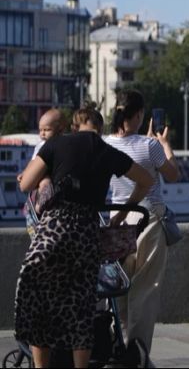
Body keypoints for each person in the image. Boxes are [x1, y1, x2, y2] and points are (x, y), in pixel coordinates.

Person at [14, 131, 153, 368]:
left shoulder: (56, 144)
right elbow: (147, 180)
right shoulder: (106, 151)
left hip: (55, 226)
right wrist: (121, 213)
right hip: (87, 233)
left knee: (37, 294)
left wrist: (45, 178)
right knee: (81, 306)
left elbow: (26, 183)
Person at [106, 90, 180, 358]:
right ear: (138, 115)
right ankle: (136, 354)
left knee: (118, 288)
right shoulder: (149, 146)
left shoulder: (105, 143)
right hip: (147, 218)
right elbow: (172, 175)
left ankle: (115, 347)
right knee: (146, 289)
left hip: (117, 220)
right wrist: (165, 145)